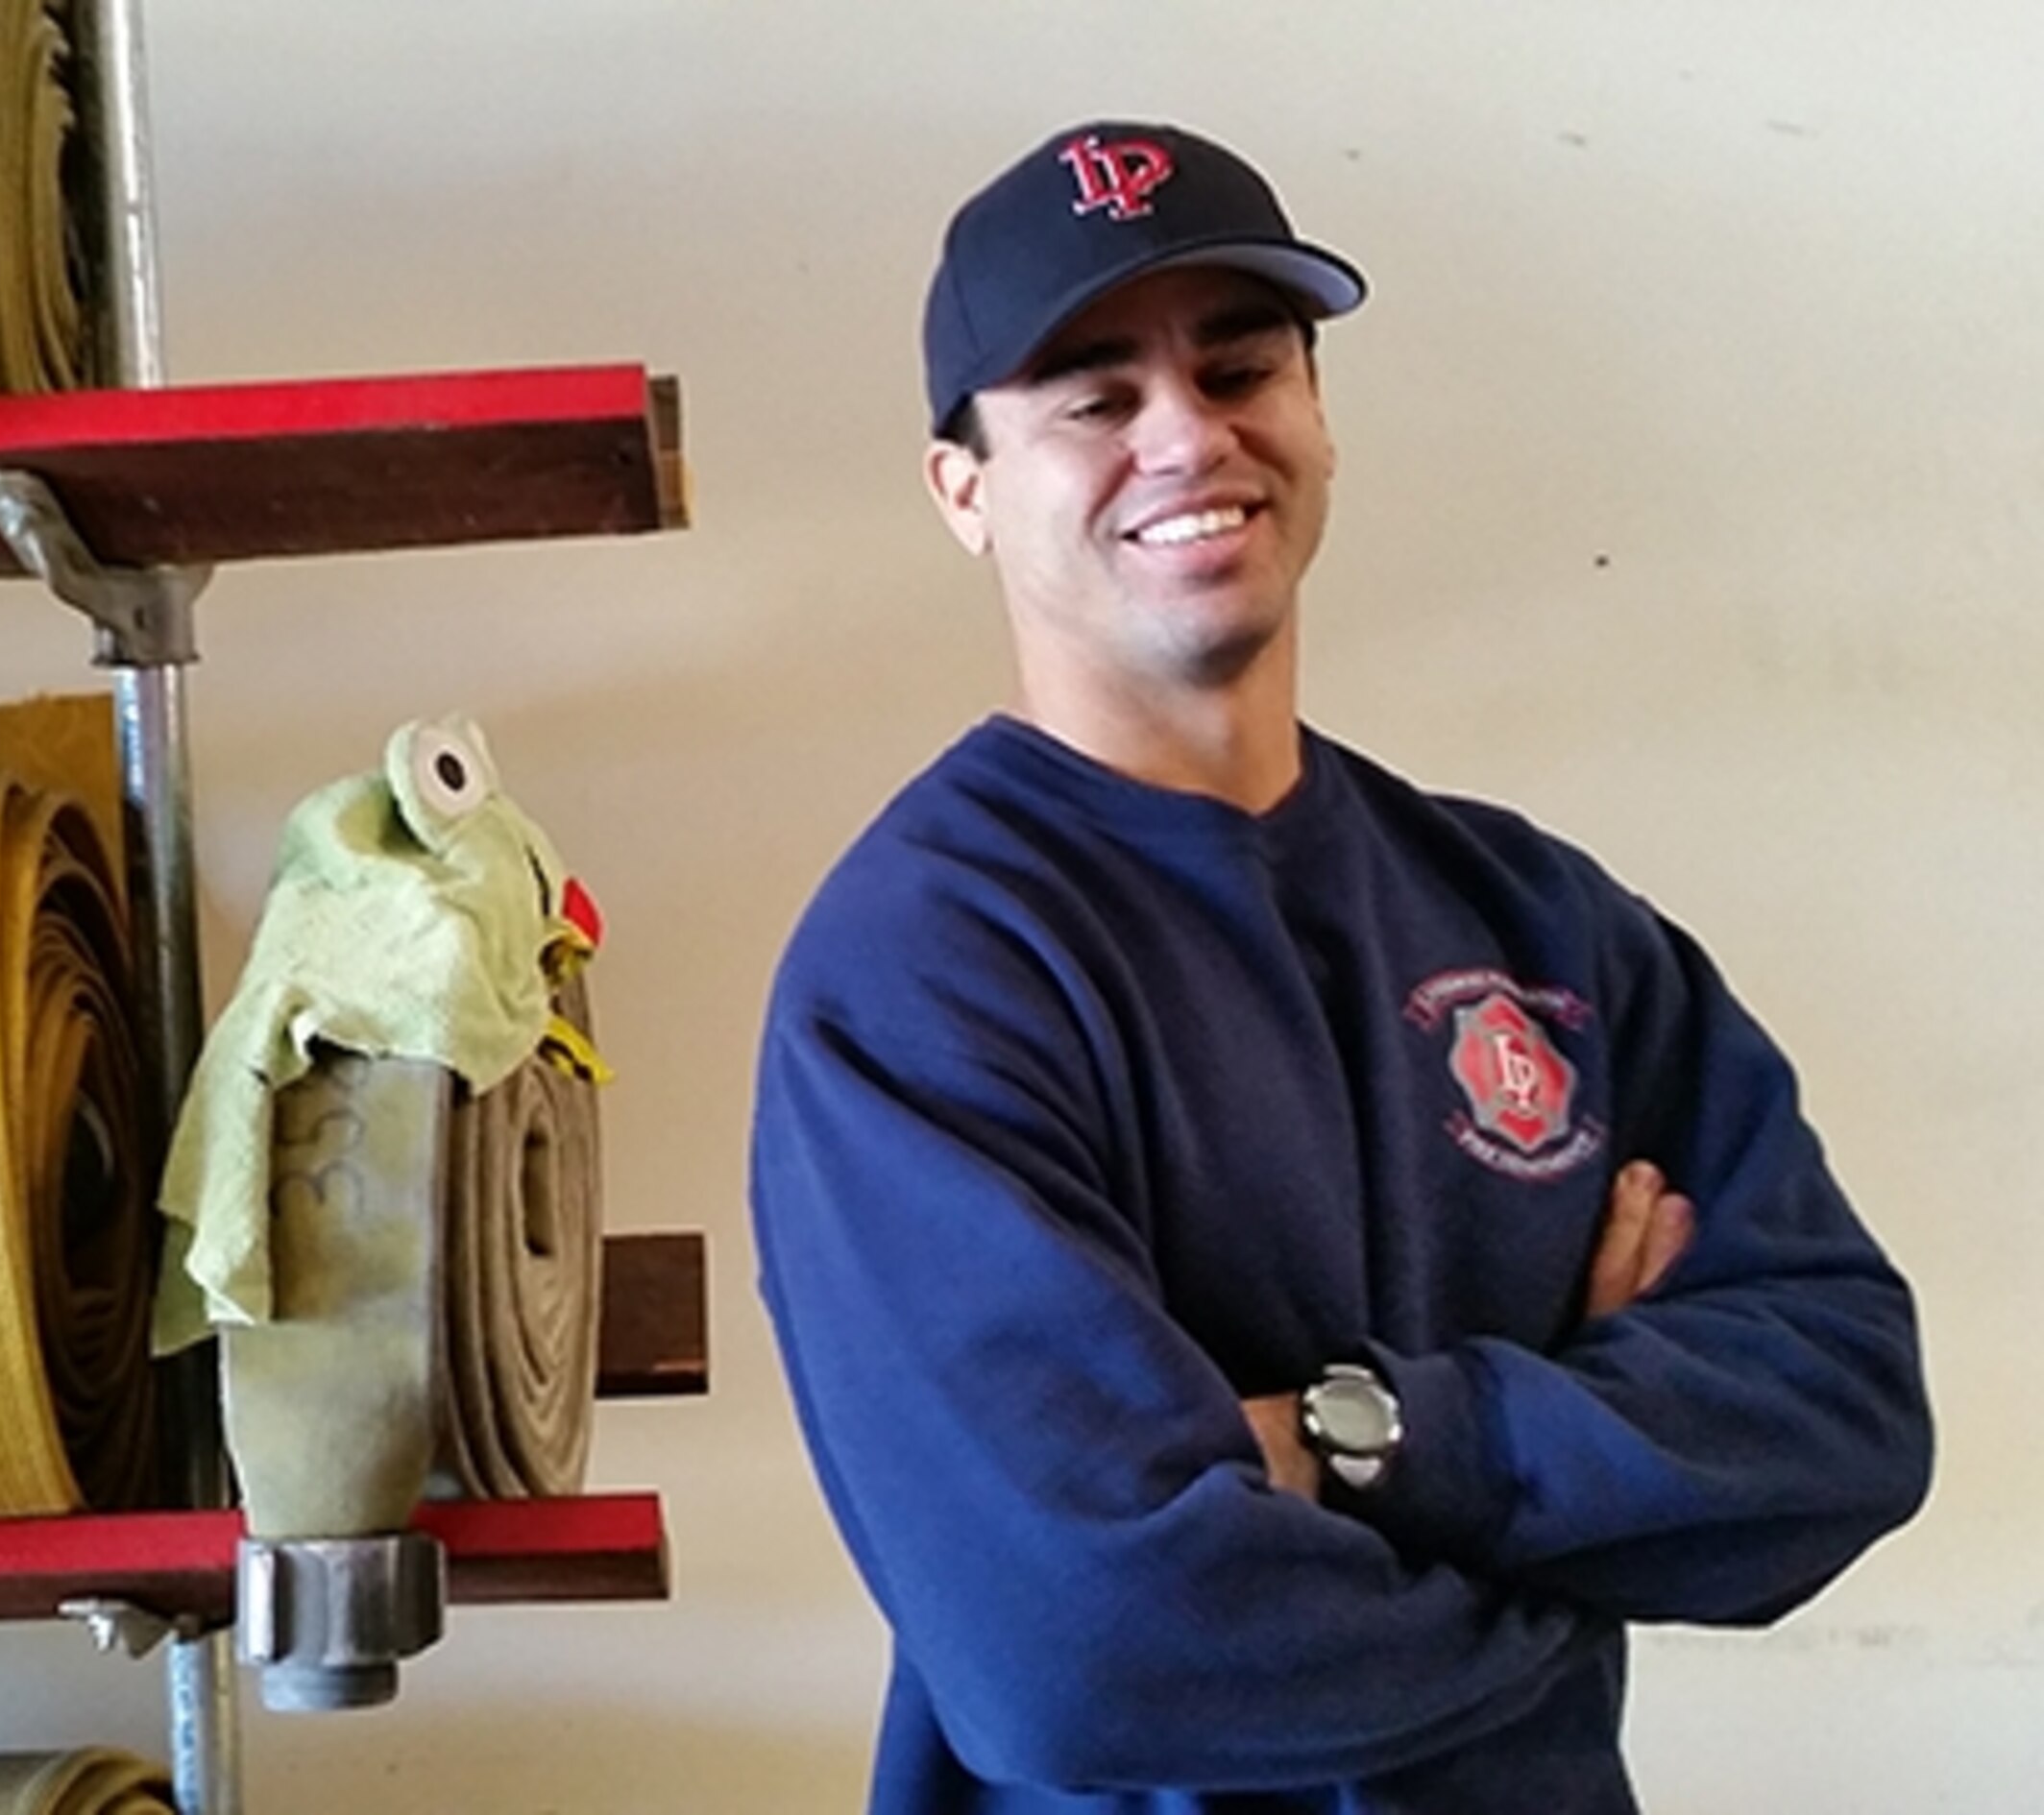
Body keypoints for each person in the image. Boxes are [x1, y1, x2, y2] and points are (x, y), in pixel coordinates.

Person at [748, 119, 1934, 1813]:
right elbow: (1088, 1652)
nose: (1187, 435)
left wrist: (1354, 1438)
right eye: (1093, 398)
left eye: (1242, 366)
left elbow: (1846, 1412)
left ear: (1315, 414)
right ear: (965, 489)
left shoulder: (1539, 925)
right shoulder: (927, 966)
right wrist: (1582, 1530)